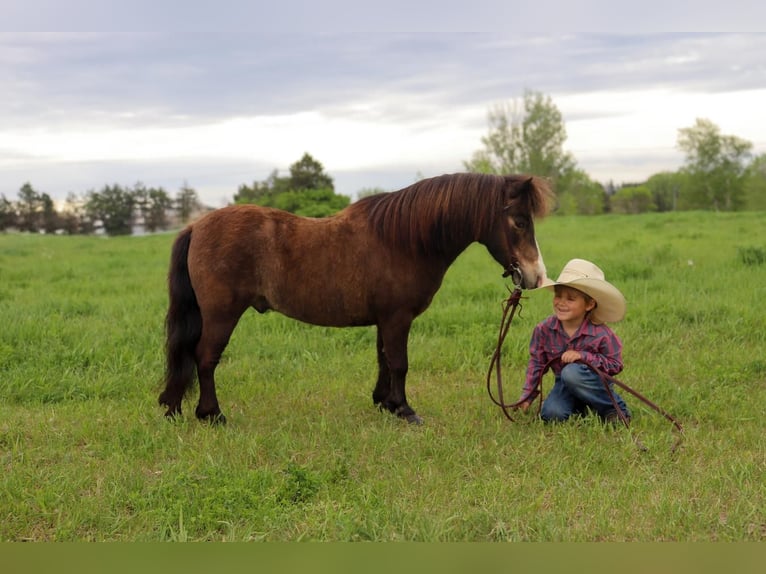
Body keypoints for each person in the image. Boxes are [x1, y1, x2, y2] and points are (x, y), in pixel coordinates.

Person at [516, 258, 631, 424]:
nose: (561, 302)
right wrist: (527, 396)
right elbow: (537, 364)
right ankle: (582, 405)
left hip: (595, 383)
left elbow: (615, 364)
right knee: (551, 415)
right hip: (563, 384)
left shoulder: (601, 334)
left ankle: (613, 409)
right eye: (558, 295)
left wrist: (582, 356)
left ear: (589, 304)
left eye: (570, 299)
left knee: (571, 373)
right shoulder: (544, 330)